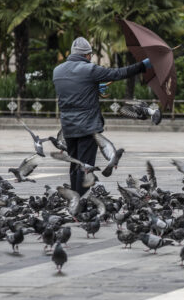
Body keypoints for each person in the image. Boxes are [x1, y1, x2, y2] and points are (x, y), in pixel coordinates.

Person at [53, 37, 154, 195]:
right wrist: (144, 65)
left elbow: (73, 91)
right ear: (87, 55)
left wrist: (92, 88)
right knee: (86, 167)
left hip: (68, 128)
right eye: (90, 55)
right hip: (87, 128)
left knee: (74, 166)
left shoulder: (57, 71)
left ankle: (73, 199)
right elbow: (119, 73)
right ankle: (78, 202)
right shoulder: (89, 69)